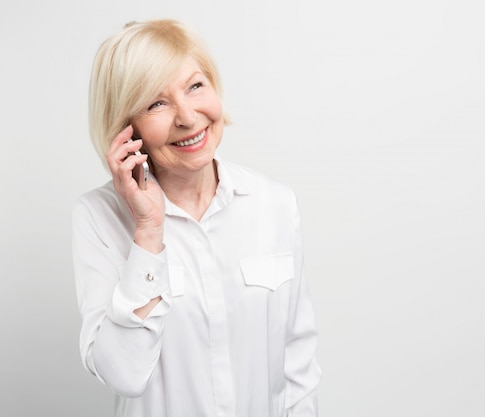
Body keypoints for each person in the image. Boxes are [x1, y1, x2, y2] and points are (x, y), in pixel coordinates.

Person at [72, 19, 321, 417]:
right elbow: (124, 375)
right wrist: (149, 231)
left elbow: (298, 363)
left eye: (195, 86)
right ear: (126, 129)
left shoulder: (274, 203)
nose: (188, 117)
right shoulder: (98, 217)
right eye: (156, 103)